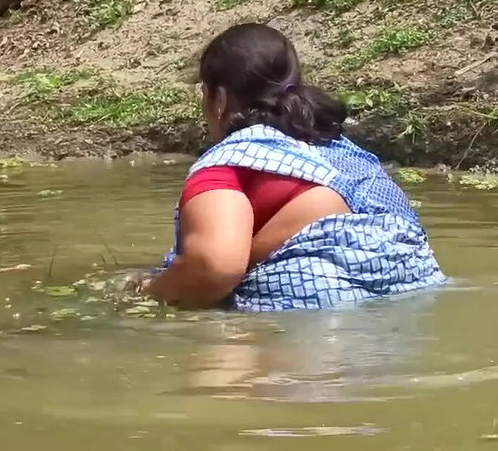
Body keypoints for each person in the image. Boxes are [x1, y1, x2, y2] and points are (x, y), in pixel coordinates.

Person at [142, 23, 448, 312]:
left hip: (303, 333)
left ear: (218, 99)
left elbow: (213, 267)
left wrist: (149, 291)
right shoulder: (348, 155)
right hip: (405, 320)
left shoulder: (225, 166)